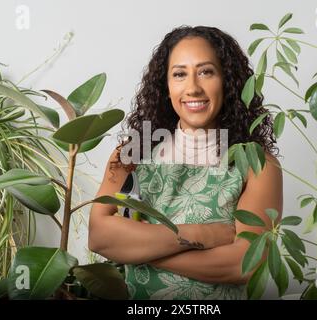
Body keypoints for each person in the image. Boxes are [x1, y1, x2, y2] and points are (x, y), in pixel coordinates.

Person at [88, 25, 283, 300]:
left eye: (206, 72)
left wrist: (139, 250)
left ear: (227, 81)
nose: (192, 88)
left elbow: (244, 263)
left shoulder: (257, 165)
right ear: (165, 87)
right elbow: (99, 236)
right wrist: (204, 235)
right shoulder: (132, 154)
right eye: (179, 74)